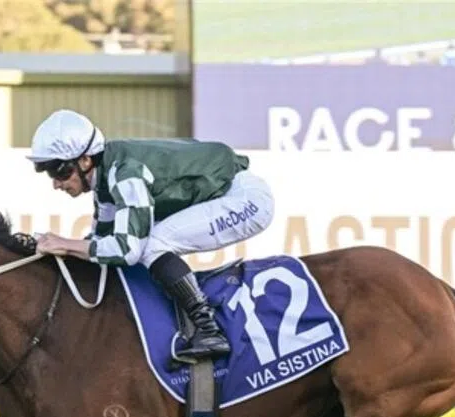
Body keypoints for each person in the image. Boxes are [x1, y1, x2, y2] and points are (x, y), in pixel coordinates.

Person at [23, 109, 274, 362]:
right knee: (143, 241)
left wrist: (65, 244)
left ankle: (209, 330)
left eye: (59, 171)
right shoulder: (106, 182)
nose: (56, 183)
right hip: (227, 192)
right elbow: (98, 244)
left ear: (85, 160)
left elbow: (126, 250)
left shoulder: (124, 174)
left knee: (151, 244)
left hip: (245, 199)